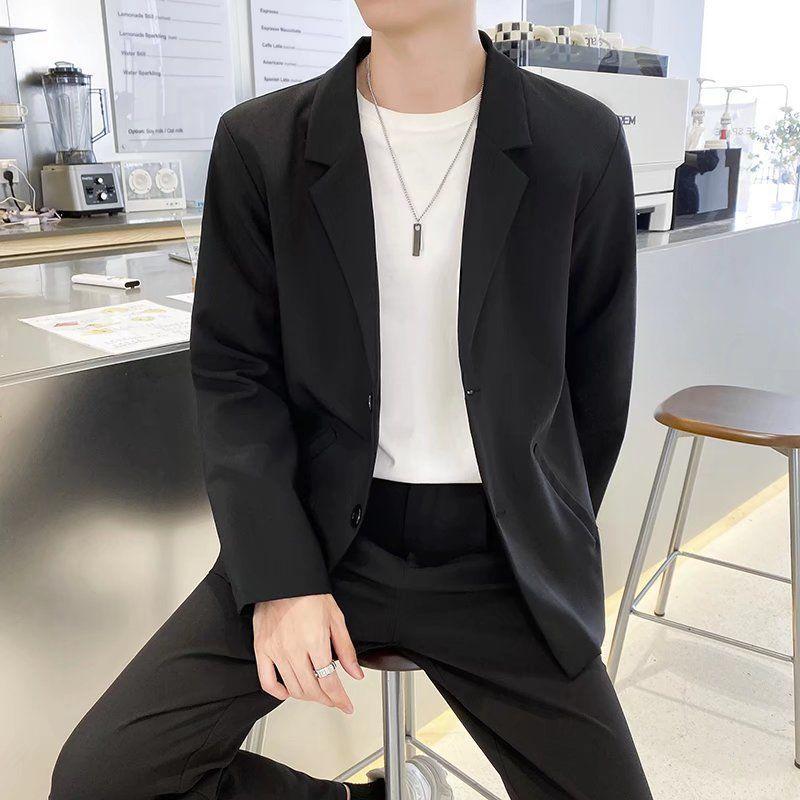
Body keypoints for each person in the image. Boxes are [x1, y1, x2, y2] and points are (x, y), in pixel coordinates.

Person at [50, 2, 650, 799]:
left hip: (501, 561)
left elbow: (595, 388)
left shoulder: (580, 141)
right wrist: (279, 577)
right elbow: (236, 376)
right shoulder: (263, 142)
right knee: (102, 782)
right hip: (321, 539)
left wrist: (543, 536)